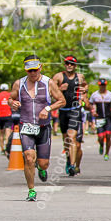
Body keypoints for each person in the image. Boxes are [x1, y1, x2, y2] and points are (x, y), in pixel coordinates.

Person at [9, 55, 67, 202]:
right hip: (26, 126)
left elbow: (62, 101)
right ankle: (32, 190)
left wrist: (47, 108)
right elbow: (11, 98)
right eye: (30, 71)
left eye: (35, 70)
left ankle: (41, 169)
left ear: (40, 67)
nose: (33, 73)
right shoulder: (19, 83)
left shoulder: (49, 83)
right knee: (28, 158)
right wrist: (12, 103)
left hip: (43, 127)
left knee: (43, 163)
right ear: (26, 71)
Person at [50, 55, 87, 176]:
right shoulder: (58, 77)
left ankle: (72, 165)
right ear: (64, 64)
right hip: (63, 110)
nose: (69, 65)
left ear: (75, 66)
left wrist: (84, 91)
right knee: (66, 139)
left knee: (72, 137)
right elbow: (50, 92)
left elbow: (85, 85)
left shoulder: (80, 77)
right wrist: (60, 89)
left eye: (72, 63)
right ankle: (68, 158)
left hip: (75, 110)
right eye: (67, 63)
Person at [89, 79, 111, 161]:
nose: (102, 87)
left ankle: (107, 153)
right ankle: (101, 145)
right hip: (99, 117)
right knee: (101, 137)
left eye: (104, 85)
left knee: (108, 136)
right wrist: (93, 111)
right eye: (101, 85)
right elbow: (90, 104)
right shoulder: (95, 95)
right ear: (99, 85)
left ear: (106, 85)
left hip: (108, 117)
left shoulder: (110, 95)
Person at [0, 83, 13, 154]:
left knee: (1, 133)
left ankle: (2, 149)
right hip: (8, 115)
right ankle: (7, 148)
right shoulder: (10, 94)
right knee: (8, 132)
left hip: (0, 116)